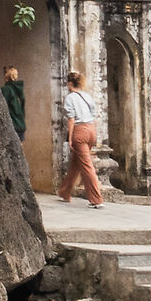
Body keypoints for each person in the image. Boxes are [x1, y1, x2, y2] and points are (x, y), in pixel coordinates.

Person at [59, 70, 103, 207]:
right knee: (76, 162)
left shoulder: (70, 98)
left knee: (86, 165)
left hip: (80, 131)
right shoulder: (87, 96)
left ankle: (96, 199)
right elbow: (94, 116)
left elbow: (71, 119)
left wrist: (71, 138)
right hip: (91, 130)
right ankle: (65, 191)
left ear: (70, 83)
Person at [0, 67, 26, 140]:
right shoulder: (19, 90)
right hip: (21, 124)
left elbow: (2, 107)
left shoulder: (6, 89)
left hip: (13, 125)